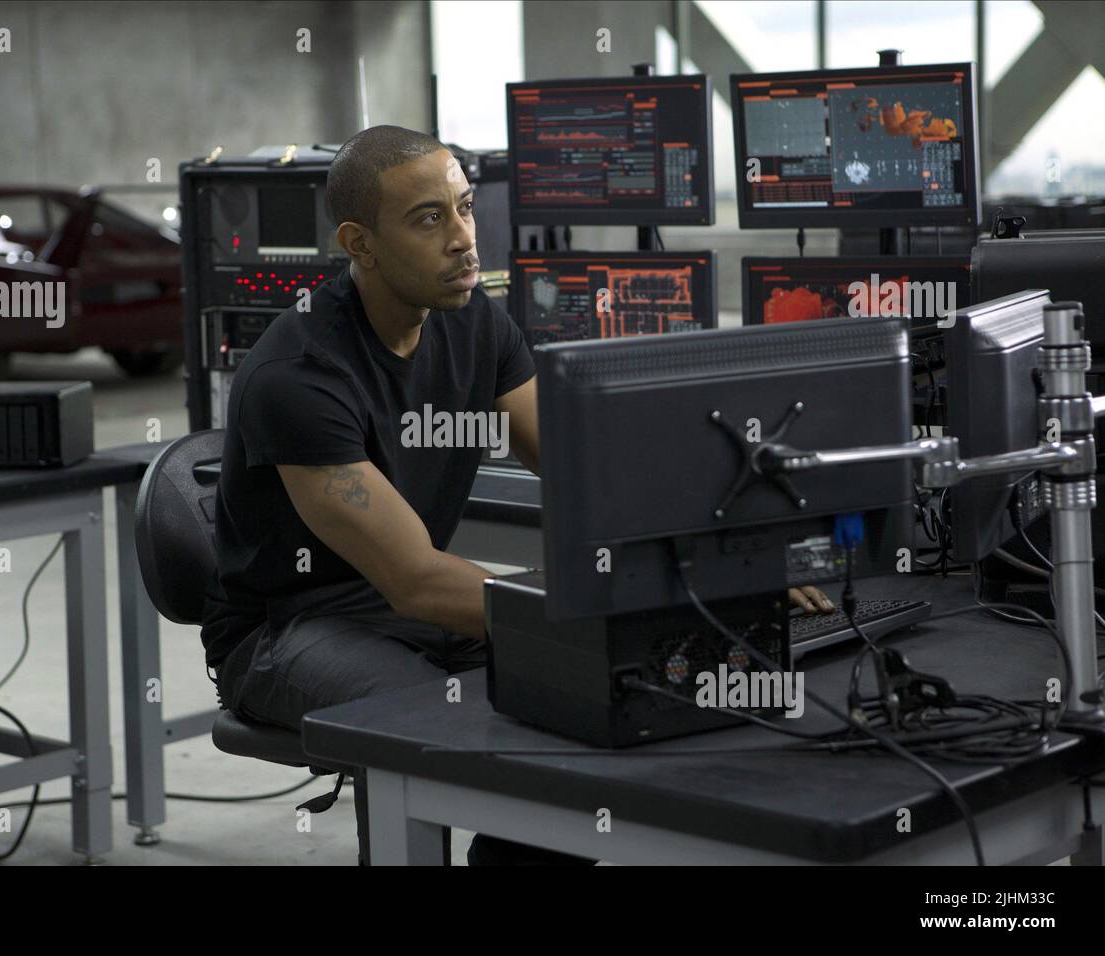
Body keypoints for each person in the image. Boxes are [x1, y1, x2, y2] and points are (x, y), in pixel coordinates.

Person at [200, 125, 834, 866]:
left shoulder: (472, 322)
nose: (465, 238)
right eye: (429, 218)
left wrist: (725, 563)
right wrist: (629, 612)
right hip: (291, 627)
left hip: (409, 607)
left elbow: (584, 471)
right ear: (359, 243)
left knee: (606, 703)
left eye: (465, 208)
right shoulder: (298, 377)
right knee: (453, 729)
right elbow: (416, 581)